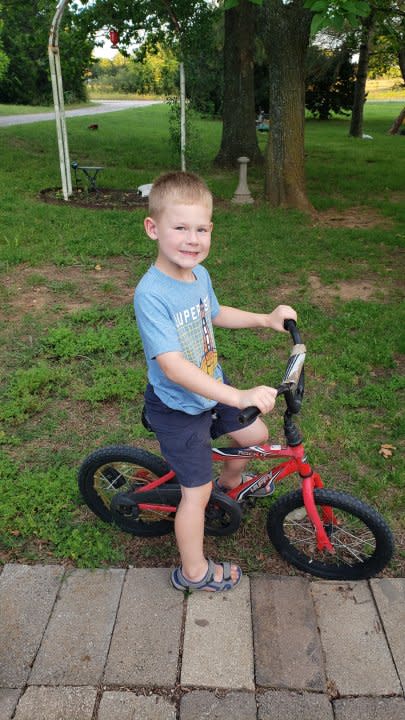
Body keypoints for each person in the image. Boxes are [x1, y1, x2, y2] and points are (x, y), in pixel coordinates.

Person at [134, 171, 297, 592]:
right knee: (196, 492)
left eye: (201, 229)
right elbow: (172, 366)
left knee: (254, 434)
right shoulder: (151, 294)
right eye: (181, 228)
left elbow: (215, 313)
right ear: (153, 229)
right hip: (177, 408)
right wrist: (237, 394)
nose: (193, 239)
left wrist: (265, 319)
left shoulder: (197, 275)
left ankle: (231, 484)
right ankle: (193, 572)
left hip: (209, 393)